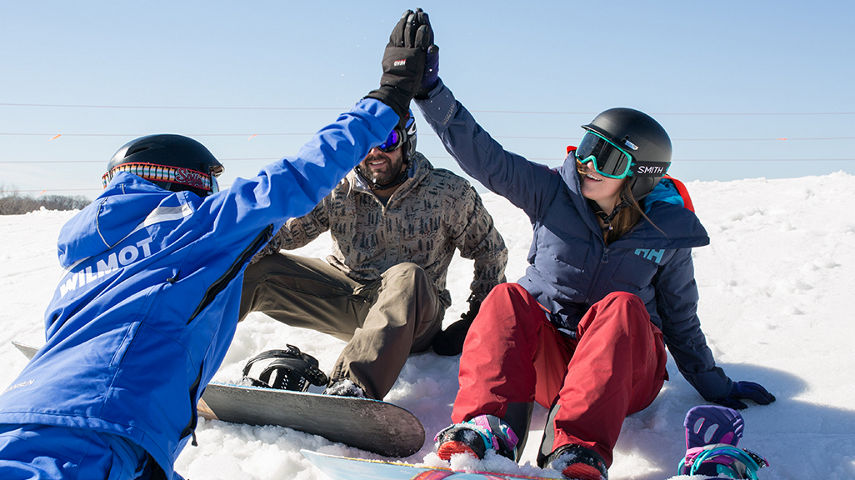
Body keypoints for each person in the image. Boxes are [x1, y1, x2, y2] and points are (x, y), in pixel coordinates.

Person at [0, 10, 433, 479]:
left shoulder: (82, 265)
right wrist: (389, 96)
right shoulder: (194, 226)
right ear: (187, 180)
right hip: (92, 443)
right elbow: (297, 176)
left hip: (32, 428)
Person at [409, 14, 776, 480]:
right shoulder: (552, 193)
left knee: (623, 305)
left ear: (640, 175)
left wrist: (714, 385)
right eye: (586, 146)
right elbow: (486, 158)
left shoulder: (667, 232)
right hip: (552, 363)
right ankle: (486, 432)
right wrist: (431, 93)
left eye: (606, 157)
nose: (586, 163)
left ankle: (576, 452)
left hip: (624, 374)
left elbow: (681, 320)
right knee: (506, 296)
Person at [240, 110, 508, 401]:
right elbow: (288, 231)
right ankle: (199, 350)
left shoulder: (447, 192)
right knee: (254, 268)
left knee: (406, 275)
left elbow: (490, 249)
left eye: (386, 140)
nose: (374, 152)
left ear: (407, 142)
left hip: (414, 314)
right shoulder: (339, 188)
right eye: (365, 142)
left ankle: (352, 389)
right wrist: (231, 251)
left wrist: (476, 317)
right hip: (348, 296)